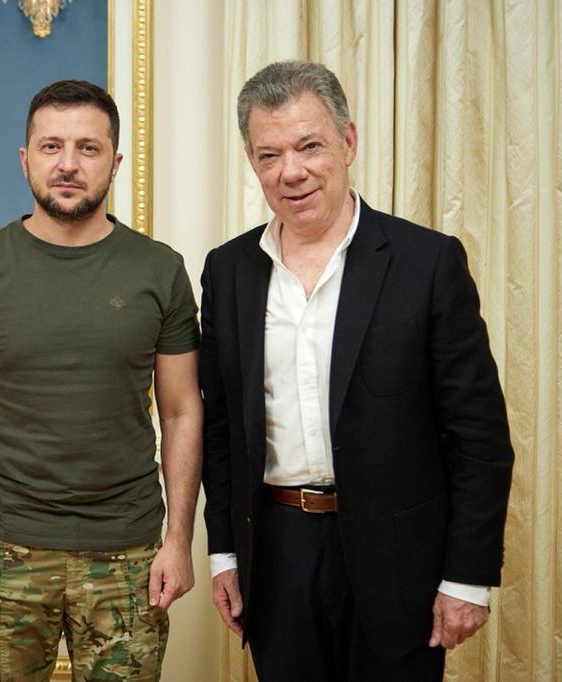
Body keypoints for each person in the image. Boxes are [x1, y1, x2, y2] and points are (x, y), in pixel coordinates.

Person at [200, 60, 514, 681]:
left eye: (308, 145)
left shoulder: (427, 262)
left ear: (347, 141)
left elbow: (478, 437)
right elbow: (220, 427)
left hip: (401, 560)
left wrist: (468, 576)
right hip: (277, 550)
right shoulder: (227, 270)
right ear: (253, 162)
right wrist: (224, 553)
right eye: (269, 155)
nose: (291, 171)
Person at [0, 80, 202, 681]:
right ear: (25, 159)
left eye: (88, 148)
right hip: (2, 550)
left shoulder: (160, 270)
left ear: (115, 161)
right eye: (51, 147)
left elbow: (182, 412)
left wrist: (179, 541)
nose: (68, 164)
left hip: (128, 552)